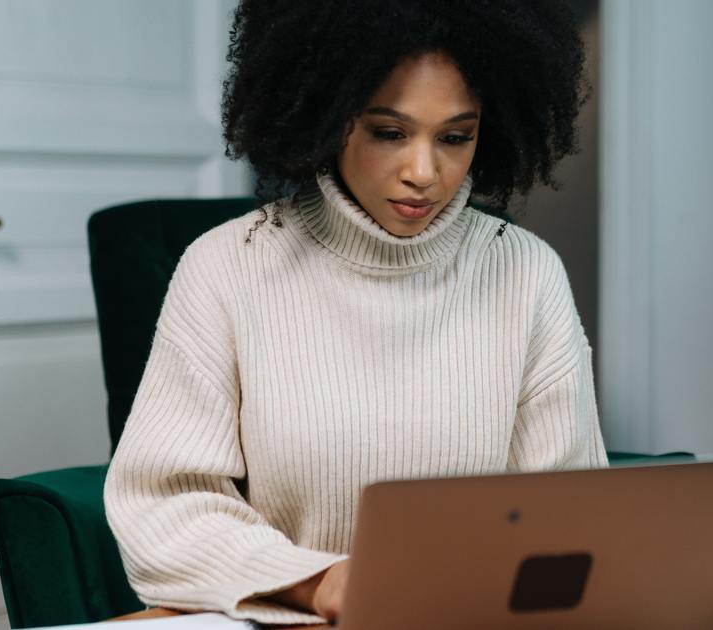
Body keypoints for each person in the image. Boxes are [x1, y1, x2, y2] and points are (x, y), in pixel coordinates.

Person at [103, 0, 606, 625]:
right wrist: (321, 583)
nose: (423, 172)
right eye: (389, 132)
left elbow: (570, 513)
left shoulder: (526, 273)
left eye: (455, 137)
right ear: (327, 112)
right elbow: (165, 507)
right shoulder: (225, 266)